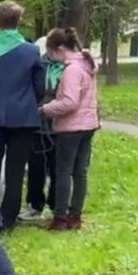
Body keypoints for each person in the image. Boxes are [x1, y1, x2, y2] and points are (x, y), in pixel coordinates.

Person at [0, 1, 44, 230]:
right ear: (19, 20)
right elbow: (40, 86)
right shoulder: (32, 51)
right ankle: (9, 219)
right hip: (22, 118)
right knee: (15, 172)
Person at [39, 28, 101, 231]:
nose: (50, 57)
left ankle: (60, 218)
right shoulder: (87, 64)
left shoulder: (72, 70)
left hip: (71, 127)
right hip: (88, 124)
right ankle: (75, 216)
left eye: (50, 52)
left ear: (58, 49)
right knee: (80, 172)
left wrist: (45, 109)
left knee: (63, 172)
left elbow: (69, 102)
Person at [20, 52, 61, 222]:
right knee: (36, 166)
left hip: (60, 125)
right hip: (37, 124)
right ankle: (35, 205)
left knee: (58, 167)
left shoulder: (69, 67)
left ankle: (56, 204)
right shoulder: (38, 66)